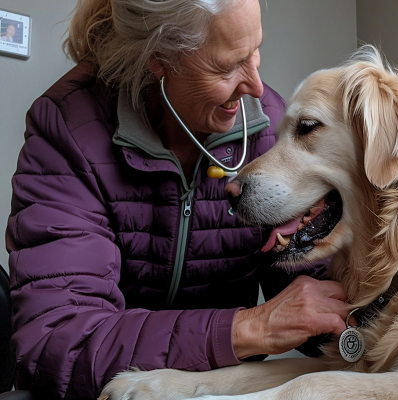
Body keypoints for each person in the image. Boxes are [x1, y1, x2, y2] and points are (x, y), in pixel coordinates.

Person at [5, 0, 350, 398]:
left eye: (255, 51)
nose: (256, 85)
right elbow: (60, 343)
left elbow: (318, 299)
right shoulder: (67, 132)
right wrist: (250, 328)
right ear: (160, 59)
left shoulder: (270, 127)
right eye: (227, 67)